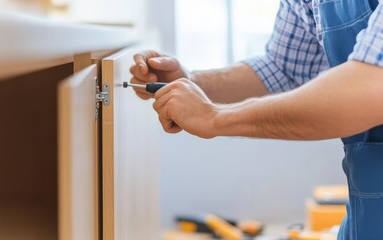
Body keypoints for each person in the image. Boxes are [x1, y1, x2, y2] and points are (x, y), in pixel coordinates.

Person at [130, 0, 383, 239]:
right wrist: (190, 82)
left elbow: (371, 85)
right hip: (367, 212)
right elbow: (284, 69)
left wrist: (215, 117)